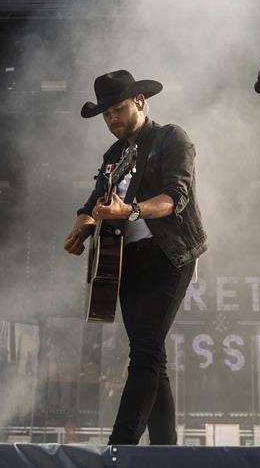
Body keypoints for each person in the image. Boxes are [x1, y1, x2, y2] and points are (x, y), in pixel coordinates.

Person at [63, 69, 207, 445]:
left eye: (118, 109)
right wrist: (83, 227)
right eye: (106, 115)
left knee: (143, 352)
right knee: (151, 358)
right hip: (126, 263)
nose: (112, 120)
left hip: (169, 257)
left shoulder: (170, 137)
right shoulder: (112, 156)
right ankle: (165, 451)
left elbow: (175, 197)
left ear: (140, 102)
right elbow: (92, 205)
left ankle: (120, 447)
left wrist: (128, 211)